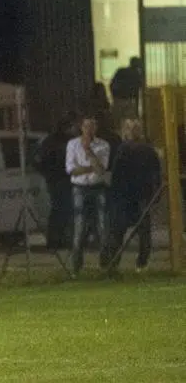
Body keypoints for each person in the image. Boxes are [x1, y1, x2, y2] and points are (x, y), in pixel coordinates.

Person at [107, 119, 161, 273]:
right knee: (143, 231)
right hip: (141, 195)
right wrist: (155, 193)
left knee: (119, 231)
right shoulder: (149, 150)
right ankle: (141, 263)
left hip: (126, 196)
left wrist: (114, 194)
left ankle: (113, 263)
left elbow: (116, 174)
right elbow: (156, 173)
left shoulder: (122, 149)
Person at [65, 114, 111, 277]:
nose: (89, 130)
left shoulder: (103, 145)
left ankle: (105, 265)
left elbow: (101, 169)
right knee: (79, 227)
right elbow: (71, 170)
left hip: (98, 187)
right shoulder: (72, 144)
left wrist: (88, 150)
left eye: (92, 126)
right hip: (79, 188)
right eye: (86, 126)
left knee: (103, 226)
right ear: (81, 127)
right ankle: (76, 268)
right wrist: (91, 167)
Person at [34, 112, 79, 251]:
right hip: (60, 180)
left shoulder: (54, 141)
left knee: (61, 211)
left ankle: (59, 240)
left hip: (61, 180)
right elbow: (40, 161)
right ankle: (60, 240)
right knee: (63, 211)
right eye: (71, 126)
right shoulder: (57, 142)